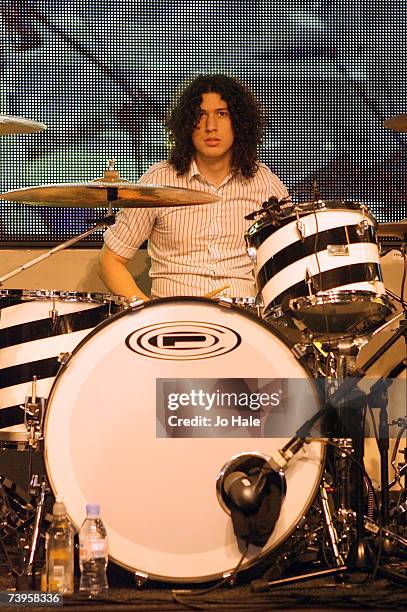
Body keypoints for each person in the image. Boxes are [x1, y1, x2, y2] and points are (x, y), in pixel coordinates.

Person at [99, 73, 289, 300]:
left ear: (238, 122)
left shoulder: (265, 184)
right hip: (171, 323)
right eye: (201, 115)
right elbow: (110, 262)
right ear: (188, 123)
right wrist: (148, 313)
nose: (211, 126)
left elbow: (288, 264)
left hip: (241, 322)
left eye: (222, 114)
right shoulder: (159, 179)